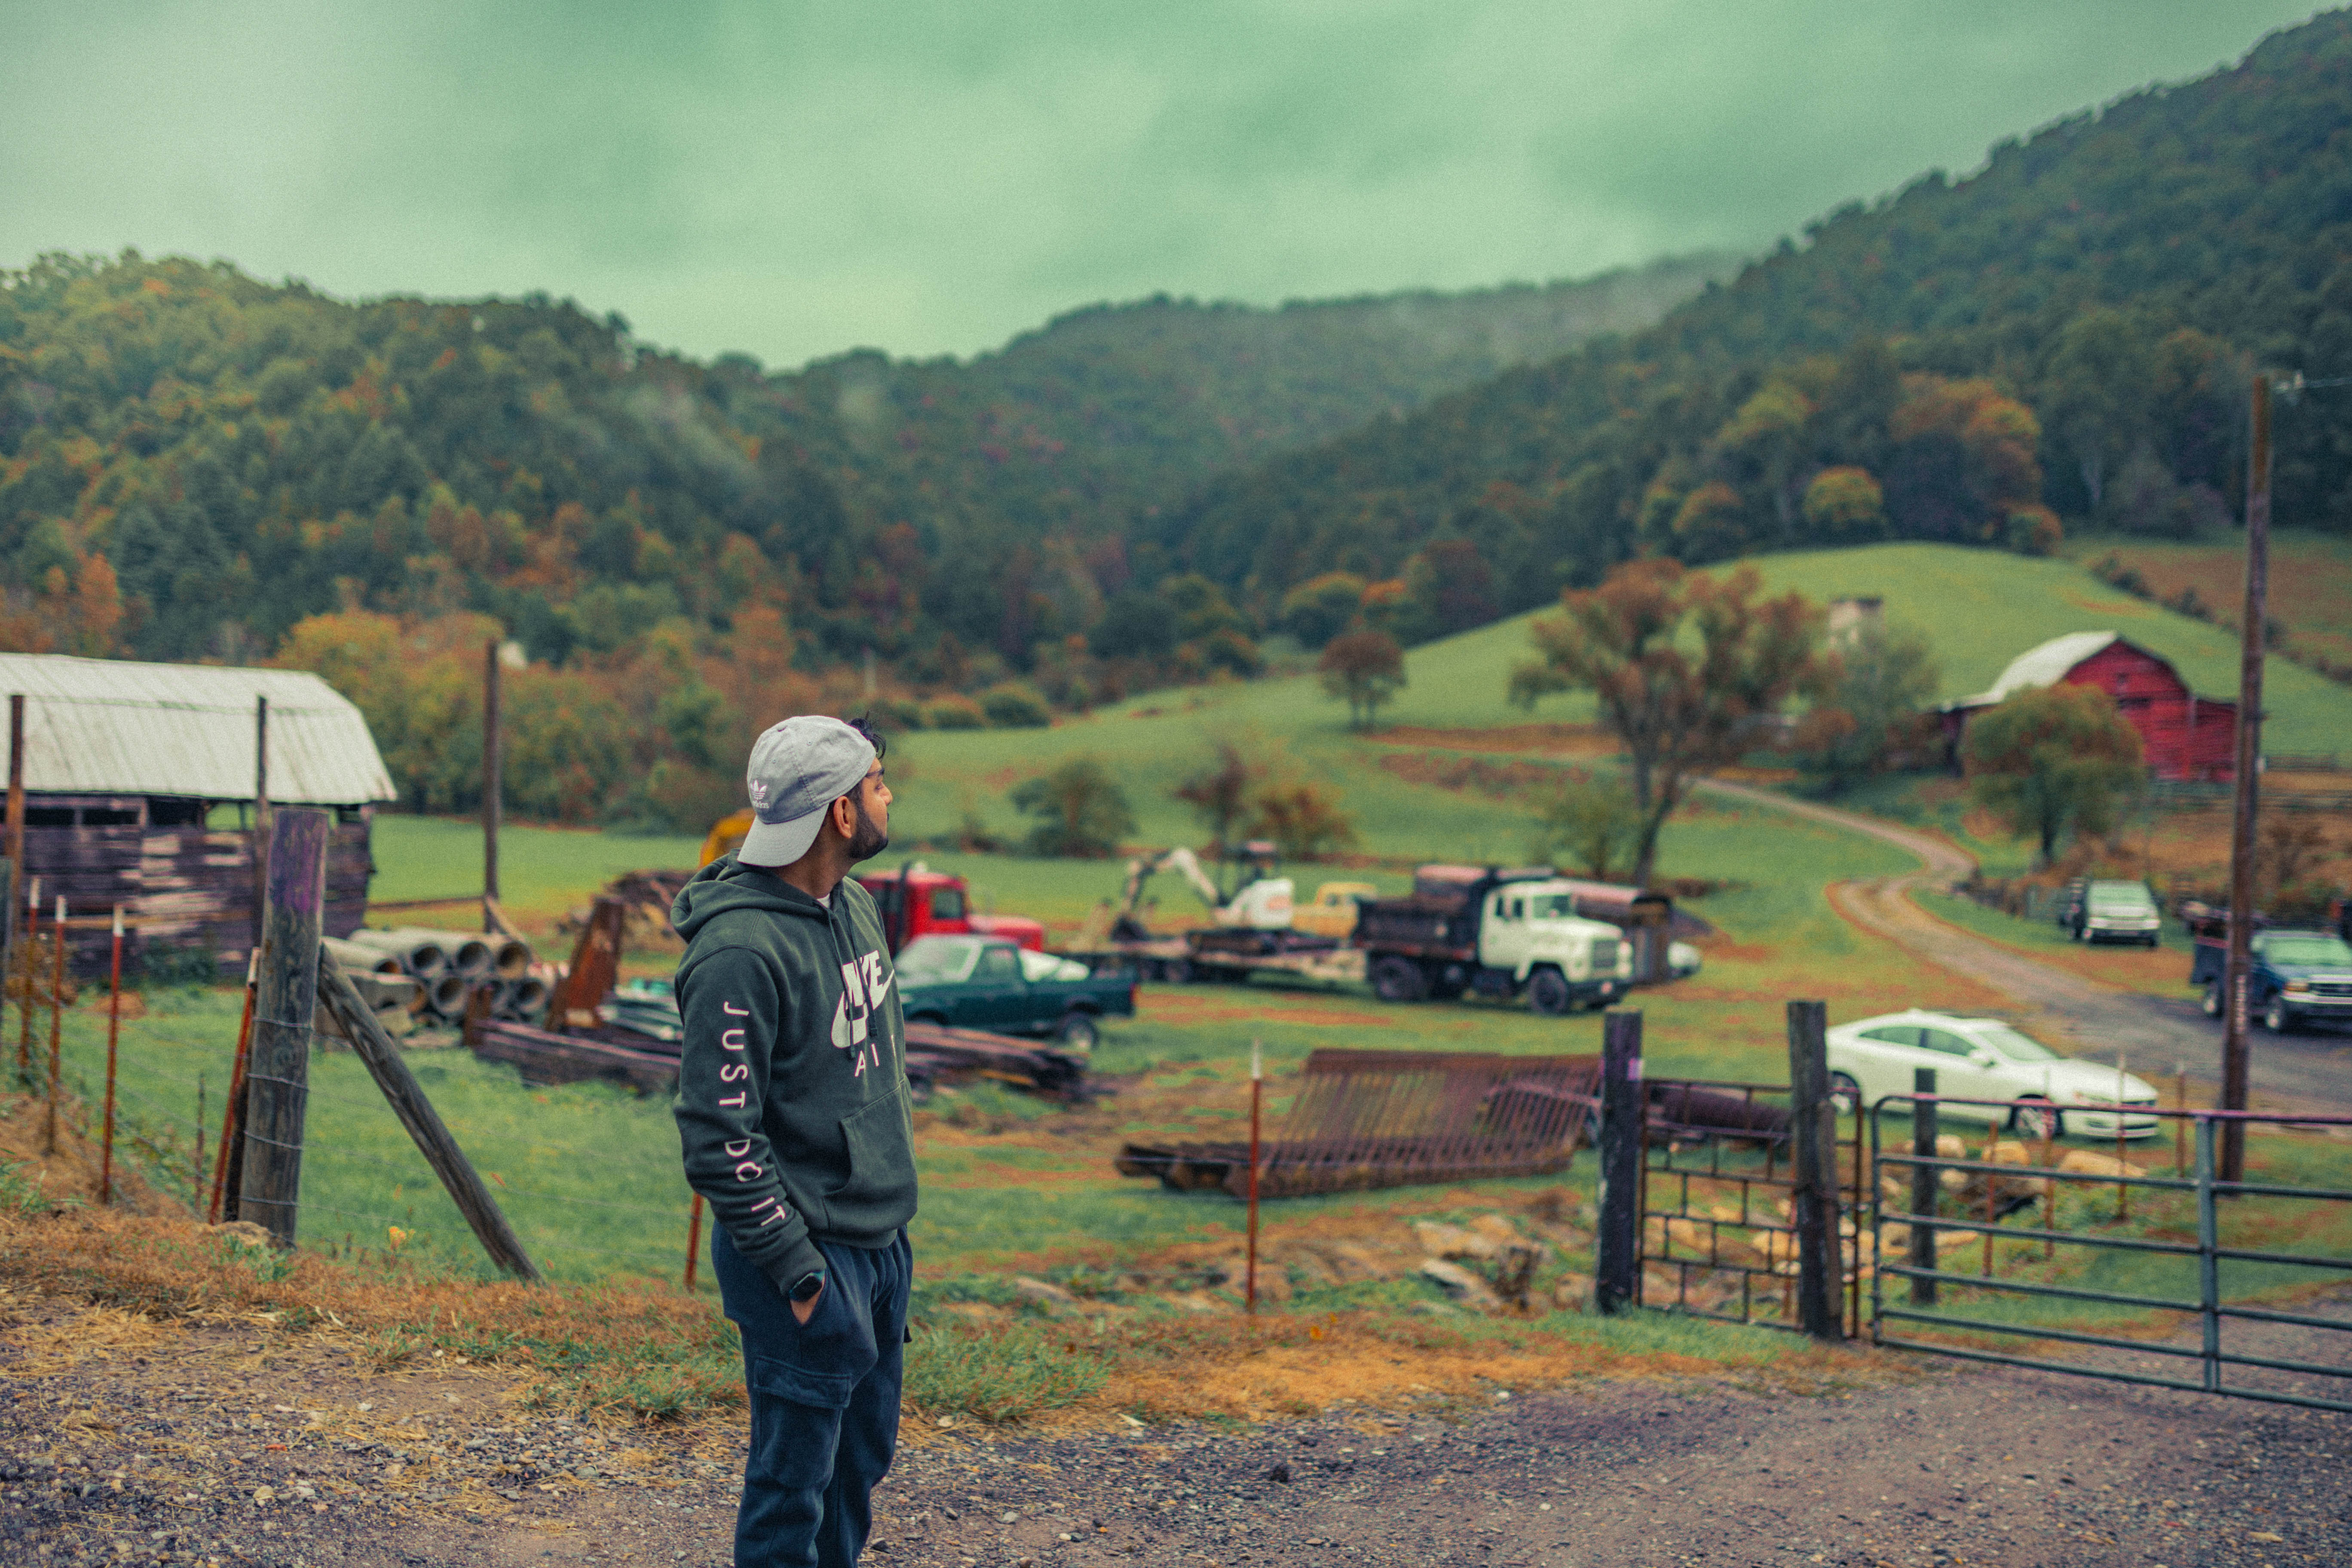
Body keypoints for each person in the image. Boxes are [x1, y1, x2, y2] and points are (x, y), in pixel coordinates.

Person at [674, 714, 913, 1568]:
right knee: (791, 1490)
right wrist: (799, 1272)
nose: (889, 795)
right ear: (842, 815)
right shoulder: (738, 953)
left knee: (857, 1470)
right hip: (808, 1258)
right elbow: (716, 1135)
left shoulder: (851, 905)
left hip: (879, 1243)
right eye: (878, 781)